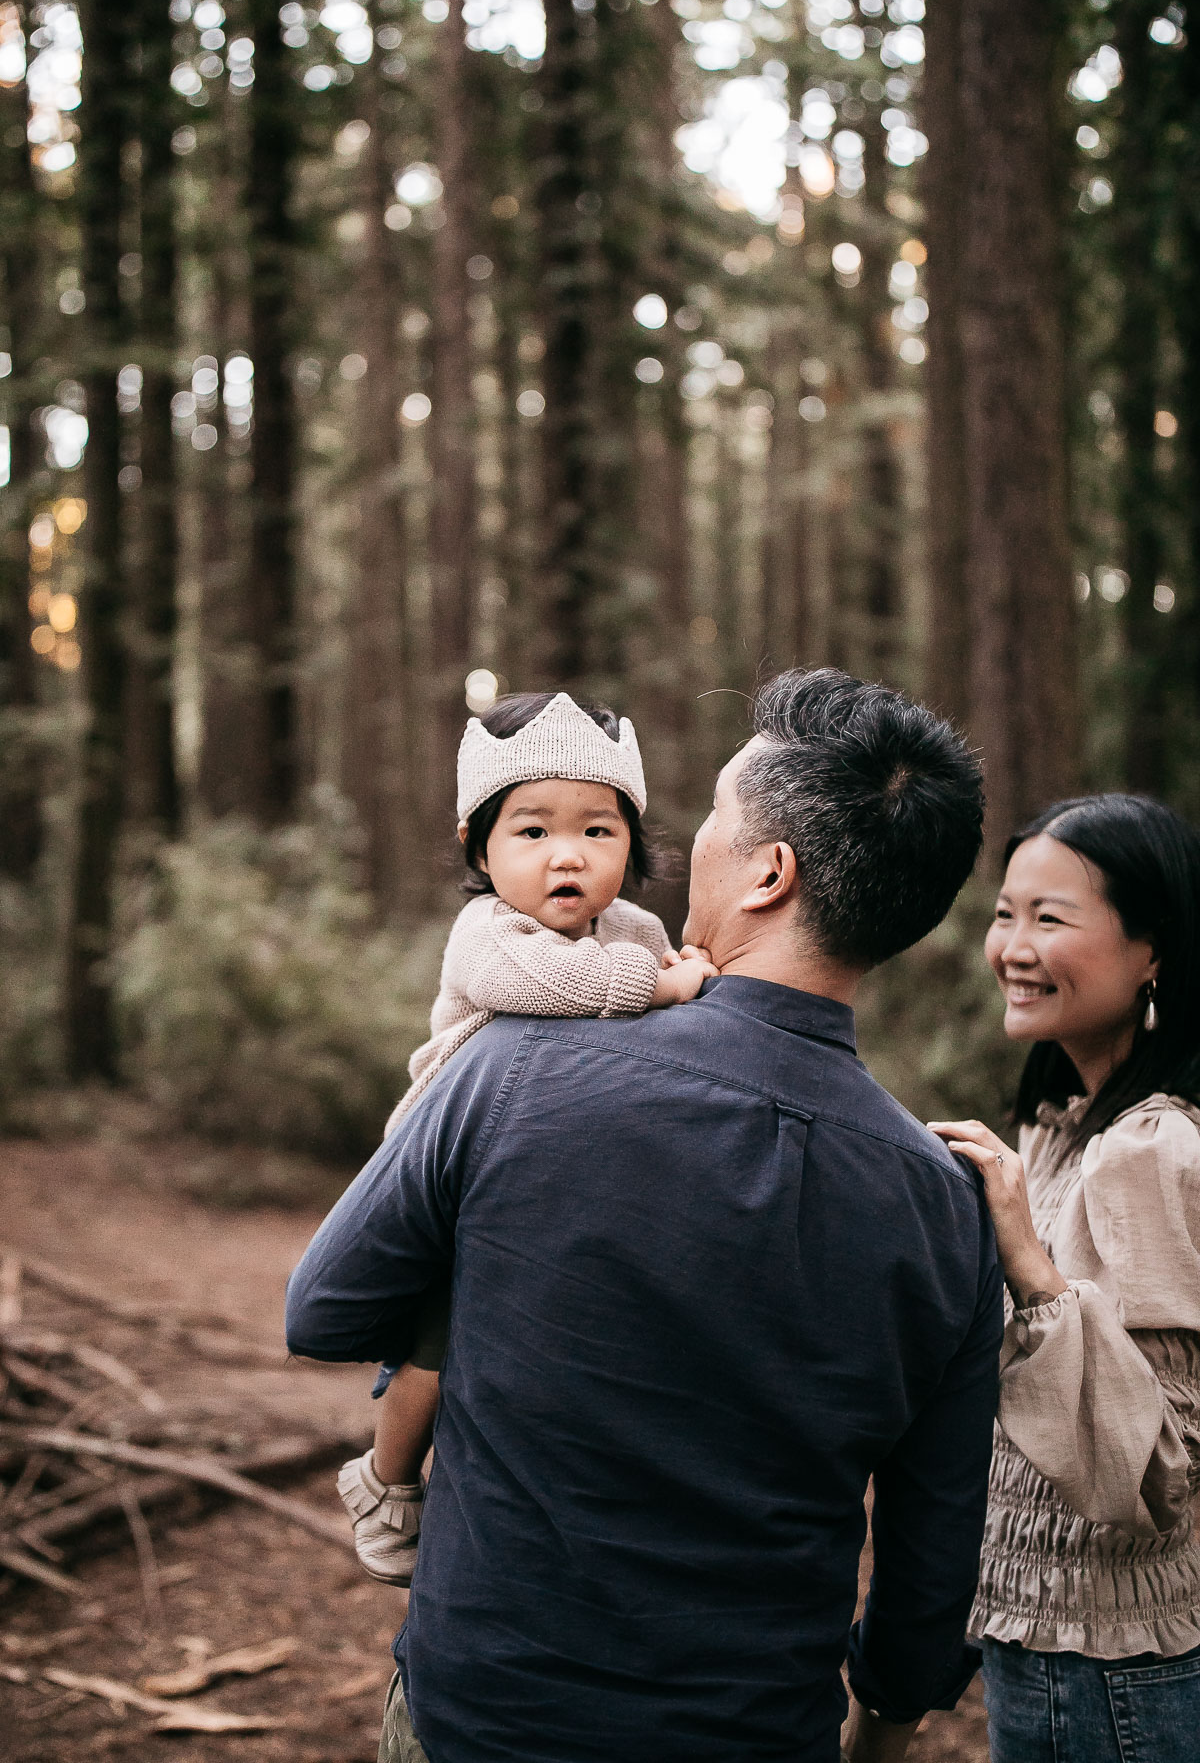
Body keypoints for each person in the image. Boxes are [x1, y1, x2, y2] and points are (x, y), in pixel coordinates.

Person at [286, 666, 1000, 1763]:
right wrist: (886, 1725)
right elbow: (932, 1548)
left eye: (712, 818)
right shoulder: (949, 1208)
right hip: (755, 1731)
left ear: (769, 874)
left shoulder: (516, 1067)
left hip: (488, 1714)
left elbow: (326, 1309)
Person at [336, 691, 716, 1586]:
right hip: (451, 1171)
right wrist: (661, 988)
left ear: (634, 842)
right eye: (532, 832)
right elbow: (537, 985)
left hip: (557, 1175)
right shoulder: (489, 933)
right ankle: (384, 1478)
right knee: (433, 1348)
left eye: (599, 830)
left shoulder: (636, 930)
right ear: (480, 848)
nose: (569, 855)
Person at [930, 794, 1200, 1763]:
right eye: (1007, 914)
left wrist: (1029, 1263)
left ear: (1153, 951)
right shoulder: (1059, 1132)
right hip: (1038, 1647)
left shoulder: (1152, 1153)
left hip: (1118, 1681)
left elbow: (1166, 1474)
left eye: (1051, 918)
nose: (1013, 945)